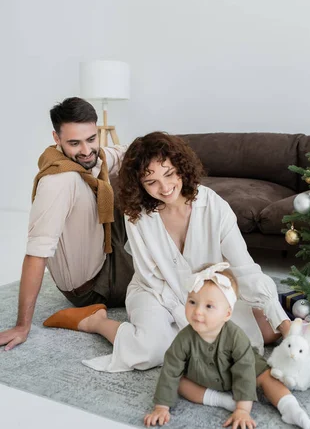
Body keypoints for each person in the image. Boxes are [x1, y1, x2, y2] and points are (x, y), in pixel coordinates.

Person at [43, 132, 292, 371]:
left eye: (170, 174)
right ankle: (96, 322)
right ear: (140, 184)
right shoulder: (138, 216)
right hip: (155, 292)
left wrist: (284, 323)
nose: (164, 188)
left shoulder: (214, 206)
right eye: (151, 181)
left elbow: (243, 268)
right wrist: (194, 322)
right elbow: (151, 277)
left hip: (206, 293)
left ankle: (191, 336)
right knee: (152, 351)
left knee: (258, 337)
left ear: (181, 168)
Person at [0, 97, 133, 351]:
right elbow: (36, 255)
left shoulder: (92, 159)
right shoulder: (59, 182)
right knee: (163, 286)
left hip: (102, 247)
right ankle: (90, 318)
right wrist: (22, 326)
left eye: (91, 139)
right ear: (56, 138)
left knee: (143, 180)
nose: (85, 150)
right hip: (93, 286)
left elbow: (117, 155)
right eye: (74, 143)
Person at [144, 263, 310, 429]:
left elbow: (245, 372)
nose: (197, 312)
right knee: (178, 381)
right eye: (192, 302)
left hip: (241, 369)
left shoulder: (236, 337)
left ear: (227, 313)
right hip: (203, 375)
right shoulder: (184, 339)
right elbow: (171, 369)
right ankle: (222, 401)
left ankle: (289, 407)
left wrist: (243, 410)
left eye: (209, 306)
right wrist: (161, 407)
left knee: (266, 377)